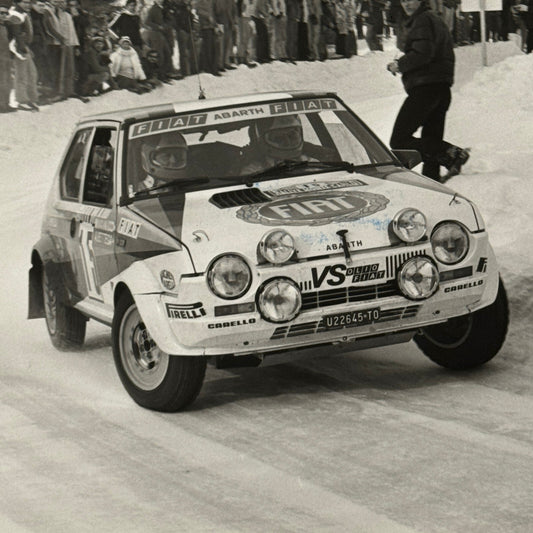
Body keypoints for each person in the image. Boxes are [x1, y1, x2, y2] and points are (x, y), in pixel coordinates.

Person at [387, 0, 469, 182]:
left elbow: (422, 53)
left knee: (399, 140)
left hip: (426, 88)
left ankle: (453, 154)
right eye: (403, 0)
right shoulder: (434, 18)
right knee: (431, 137)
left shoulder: (423, 19)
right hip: (441, 87)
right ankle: (432, 179)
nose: (407, 4)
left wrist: (399, 65)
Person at [239, 114, 333, 174]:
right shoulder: (253, 172)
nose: (287, 142)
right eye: (279, 138)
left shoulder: (312, 163)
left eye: (292, 136)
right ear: (262, 141)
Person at [10, 0, 40, 111]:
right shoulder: (14, 15)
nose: (27, 5)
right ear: (17, 3)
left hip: (25, 47)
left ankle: (32, 98)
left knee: (32, 74)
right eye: (24, 2)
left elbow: (26, 33)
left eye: (28, 2)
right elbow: (17, 34)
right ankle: (22, 100)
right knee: (21, 75)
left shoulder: (24, 14)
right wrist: (22, 49)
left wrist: (27, 47)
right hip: (18, 49)